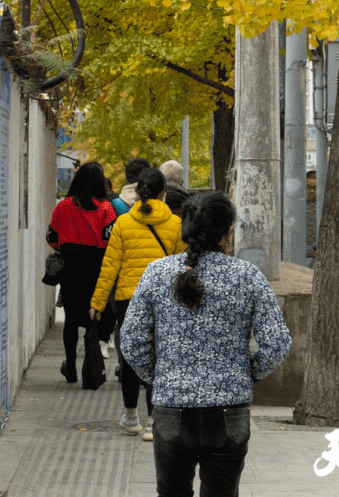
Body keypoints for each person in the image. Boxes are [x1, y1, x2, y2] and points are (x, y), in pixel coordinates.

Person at [121, 190, 292, 497]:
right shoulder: (248, 276)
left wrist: (160, 376)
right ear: (228, 231)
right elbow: (277, 344)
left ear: (186, 229)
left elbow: (131, 341)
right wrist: (245, 372)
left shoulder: (157, 273)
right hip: (229, 411)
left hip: (172, 407)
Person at [91, 166, 184, 438]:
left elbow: (110, 267)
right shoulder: (176, 225)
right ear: (164, 192)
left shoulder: (123, 223)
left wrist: (97, 302)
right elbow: (182, 268)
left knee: (130, 358)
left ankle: (132, 418)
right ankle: (155, 422)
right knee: (160, 357)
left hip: (128, 300)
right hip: (164, 300)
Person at [46, 161, 117, 389]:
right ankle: (91, 366)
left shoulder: (63, 206)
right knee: (93, 317)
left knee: (71, 319)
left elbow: (52, 238)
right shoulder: (106, 209)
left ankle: (71, 369)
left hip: (70, 269)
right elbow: (110, 240)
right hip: (96, 269)